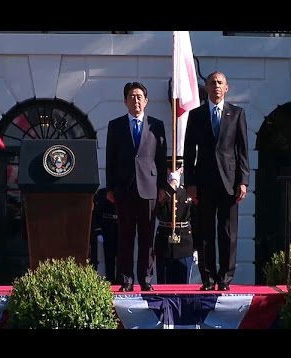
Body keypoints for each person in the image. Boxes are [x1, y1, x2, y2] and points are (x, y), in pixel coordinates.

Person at [183, 71, 250, 291]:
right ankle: (208, 278)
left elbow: (242, 150)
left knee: (228, 231)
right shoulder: (196, 115)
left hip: (229, 181)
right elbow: (188, 151)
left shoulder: (237, 114)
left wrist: (243, 181)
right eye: (212, 83)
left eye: (220, 82)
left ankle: (225, 278)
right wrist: (190, 183)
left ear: (227, 87)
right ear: (207, 88)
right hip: (203, 182)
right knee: (205, 233)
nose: (216, 86)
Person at [106, 81, 167, 292]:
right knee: (125, 236)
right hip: (124, 189)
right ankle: (126, 279)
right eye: (132, 96)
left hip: (149, 188)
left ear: (146, 101)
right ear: (125, 101)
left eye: (140, 96)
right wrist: (110, 188)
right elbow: (110, 159)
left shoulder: (156, 125)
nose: (136, 100)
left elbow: (160, 159)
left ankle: (146, 278)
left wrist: (162, 188)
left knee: (147, 237)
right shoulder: (115, 126)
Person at [155, 156, 196, 284]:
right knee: (164, 285)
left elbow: (195, 218)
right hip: (164, 244)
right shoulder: (161, 191)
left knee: (183, 286)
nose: (173, 172)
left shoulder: (187, 191)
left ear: (182, 170)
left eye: (177, 169)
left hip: (184, 243)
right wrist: (170, 187)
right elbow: (157, 208)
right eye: (170, 169)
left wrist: (196, 247)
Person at [90, 187, 118, 284]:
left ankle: (120, 281)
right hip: (108, 226)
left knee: (122, 258)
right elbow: (97, 214)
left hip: (120, 226)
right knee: (109, 257)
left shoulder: (124, 191)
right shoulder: (102, 193)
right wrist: (99, 231)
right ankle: (110, 280)